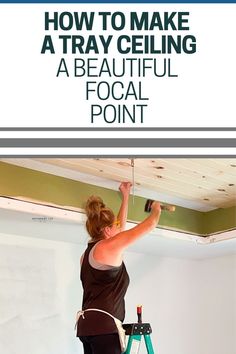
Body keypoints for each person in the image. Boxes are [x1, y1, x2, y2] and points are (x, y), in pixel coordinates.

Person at [76, 182, 161, 354]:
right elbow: (150, 224)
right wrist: (156, 209)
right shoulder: (107, 247)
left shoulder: (86, 256)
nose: (118, 227)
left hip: (86, 327)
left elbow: (120, 228)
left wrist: (126, 195)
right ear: (107, 231)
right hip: (104, 327)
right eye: (114, 226)